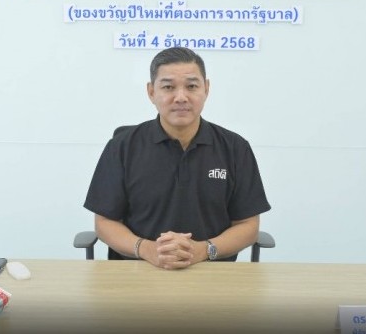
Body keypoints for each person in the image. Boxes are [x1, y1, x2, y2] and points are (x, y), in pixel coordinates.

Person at [83, 47, 271, 270]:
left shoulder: (235, 148)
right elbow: (105, 222)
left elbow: (248, 225)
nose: (181, 97)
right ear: (151, 92)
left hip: (213, 272)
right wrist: (147, 250)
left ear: (206, 89)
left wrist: (203, 250)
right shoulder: (122, 147)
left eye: (191, 86)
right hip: (137, 271)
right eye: (168, 87)